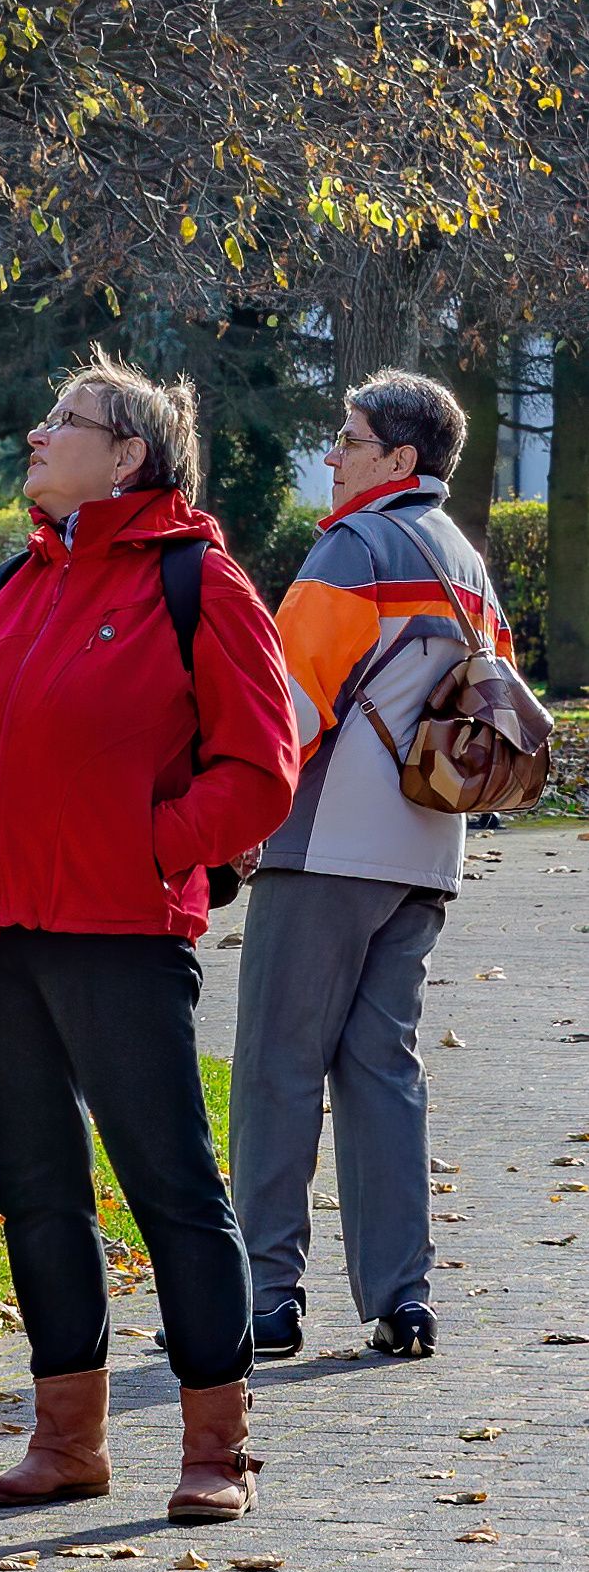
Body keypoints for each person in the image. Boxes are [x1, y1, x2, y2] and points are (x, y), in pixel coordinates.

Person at [0, 354, 299, 1522]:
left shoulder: (198, 583)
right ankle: (67, 1441)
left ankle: (216, 1448)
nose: (38, 431)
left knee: (171, 1184)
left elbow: (262, 767)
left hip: (117, 930)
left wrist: (154, 846)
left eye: (64, 419)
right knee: (34, 1191)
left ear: (129, 453)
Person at [230, 368, 512, 1363]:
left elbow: (286, 705)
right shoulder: (464, 560)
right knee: (382, 1072)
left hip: (329, 846)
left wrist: (234, 819)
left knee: (276, 1064)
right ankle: (404, 1297)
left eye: (347, 439)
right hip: (428, 849)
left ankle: (264, 1292)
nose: (332, 455)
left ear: (398, 458)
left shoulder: (354, 547)